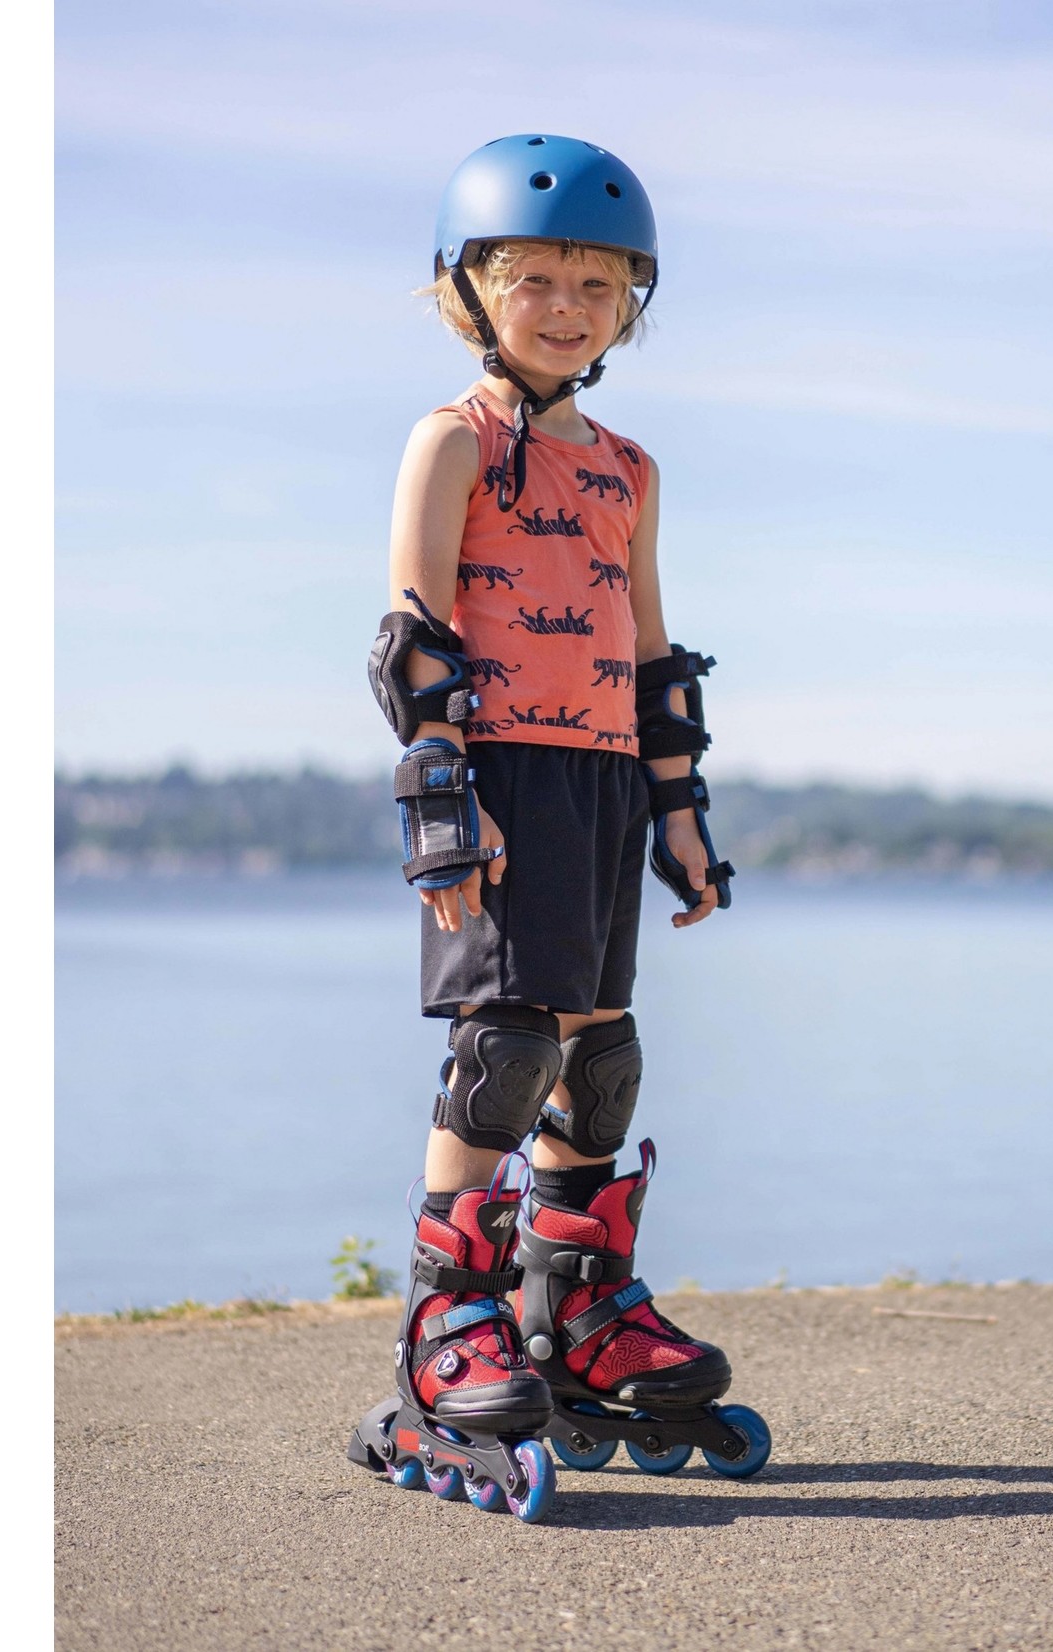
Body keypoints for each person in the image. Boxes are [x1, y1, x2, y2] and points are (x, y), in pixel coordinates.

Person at [348, 135, 768, 1521]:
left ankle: (571, 1308)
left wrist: (681, 817)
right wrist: (442, 809)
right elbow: (413, 643)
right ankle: (441, 1325)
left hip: (596, 783)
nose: (570, 306)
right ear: (468, 291)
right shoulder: (452, 441)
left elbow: (652, 664)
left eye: (599, 282)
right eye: (536, 278)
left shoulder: (633, 469)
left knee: (599, 1058)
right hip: (500, 784)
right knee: (507, 1044)